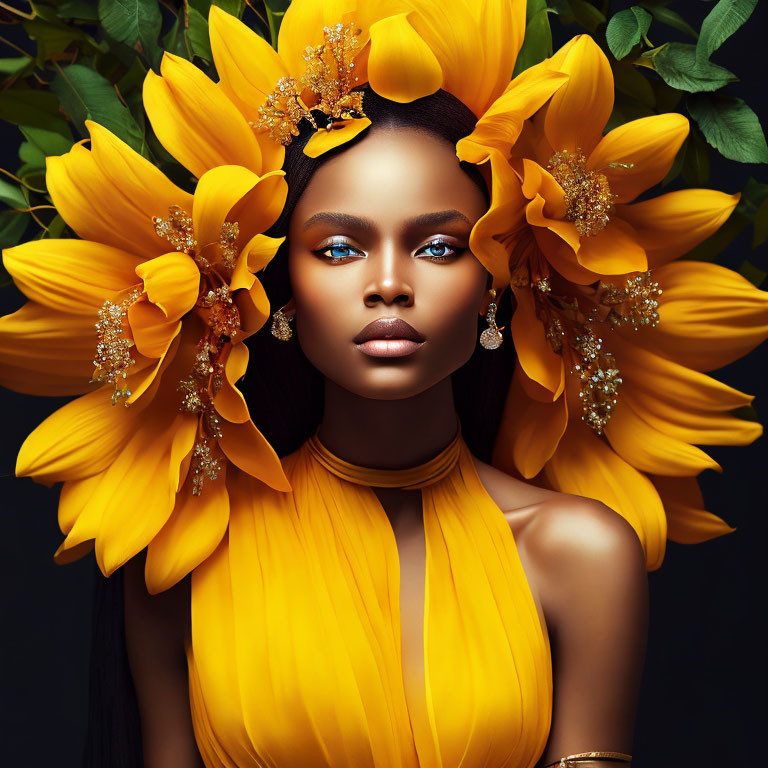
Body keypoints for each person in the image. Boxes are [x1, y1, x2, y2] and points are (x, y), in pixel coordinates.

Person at [1, 1, 765, 767]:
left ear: (496, 281)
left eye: (438, 247)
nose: (390, 285)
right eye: (339, 249)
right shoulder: (185, 557)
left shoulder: (580, 554)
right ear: (278, 286)